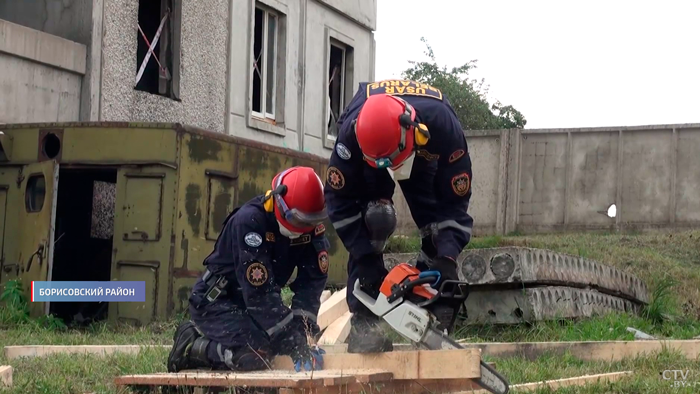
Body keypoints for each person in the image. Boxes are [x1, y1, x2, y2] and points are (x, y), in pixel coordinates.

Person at [323, 79, 474, 353]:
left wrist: (447, 257)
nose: (390, 169)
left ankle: (432, 311)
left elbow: (454, 200)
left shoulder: (443, 128)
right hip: (374, 151)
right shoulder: (351, 135)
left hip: (420, 151)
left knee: (436, 230)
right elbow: (339, 199)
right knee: (375, 219)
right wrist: (364, 255)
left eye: (392, 163)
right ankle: (365, 325)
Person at [168, 166, 330, 372]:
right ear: (280, 204)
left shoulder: (311, 227)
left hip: (252, 306)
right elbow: (260, 294)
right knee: (257, 354)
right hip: (217, 302)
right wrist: (289, 338)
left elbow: (312, 282)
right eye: (298, 220)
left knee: (277, 345)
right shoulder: (250, 222)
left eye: (311, 222)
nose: (304, 228)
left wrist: (302, 330)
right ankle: (191, 346)